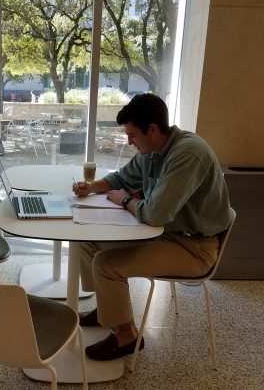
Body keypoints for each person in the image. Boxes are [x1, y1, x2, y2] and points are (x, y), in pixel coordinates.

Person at [71, 93, 231, 361]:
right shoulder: (153, 150)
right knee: (87, 241)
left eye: (132, 135)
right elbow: (122, 177)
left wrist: (124, 200)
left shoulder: (188, 153)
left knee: (106, 264)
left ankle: (127, 336)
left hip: (194, 248)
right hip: (165, 234)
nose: (129, 141)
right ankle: (106, 311)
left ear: (152, 129)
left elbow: (155, 213)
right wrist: (91, 188)